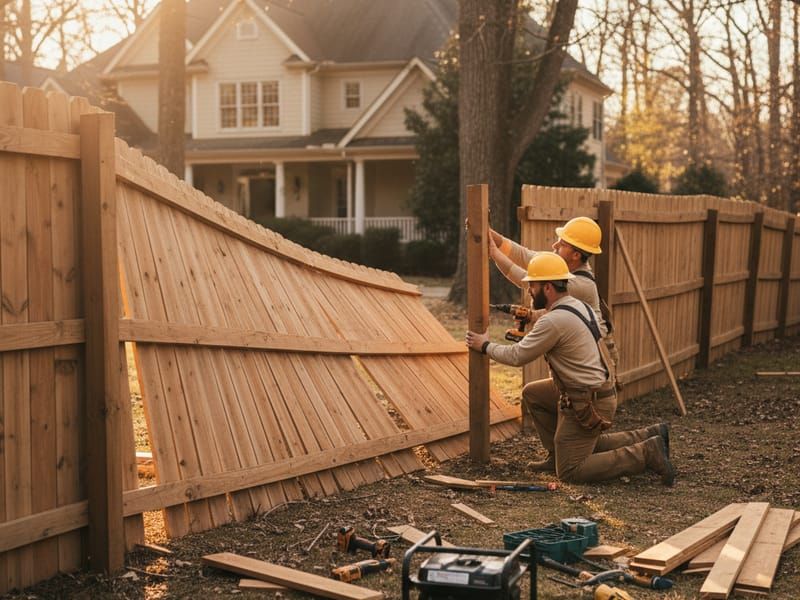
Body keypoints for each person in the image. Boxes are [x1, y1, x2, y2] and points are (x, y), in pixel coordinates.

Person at [465, 252, 675, 485]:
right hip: (593, 391)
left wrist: (484, 345)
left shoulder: (553, 321)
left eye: (532, 285)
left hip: (588, 400)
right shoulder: (577, 306)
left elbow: (518, 356)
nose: (528, 291)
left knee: (570, 470)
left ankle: (644, 453)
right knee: (532, 394)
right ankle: (646, 436)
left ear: (547, 288)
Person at [490, 216, 619, 366]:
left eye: (562, 244)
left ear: (576, 255)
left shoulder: (580, 284)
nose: (554, 245)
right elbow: (523, 255)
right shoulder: (558, 267)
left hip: (600, 360)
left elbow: (526, 279)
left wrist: (494, 253)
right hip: (579, 355)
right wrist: (489, 234)